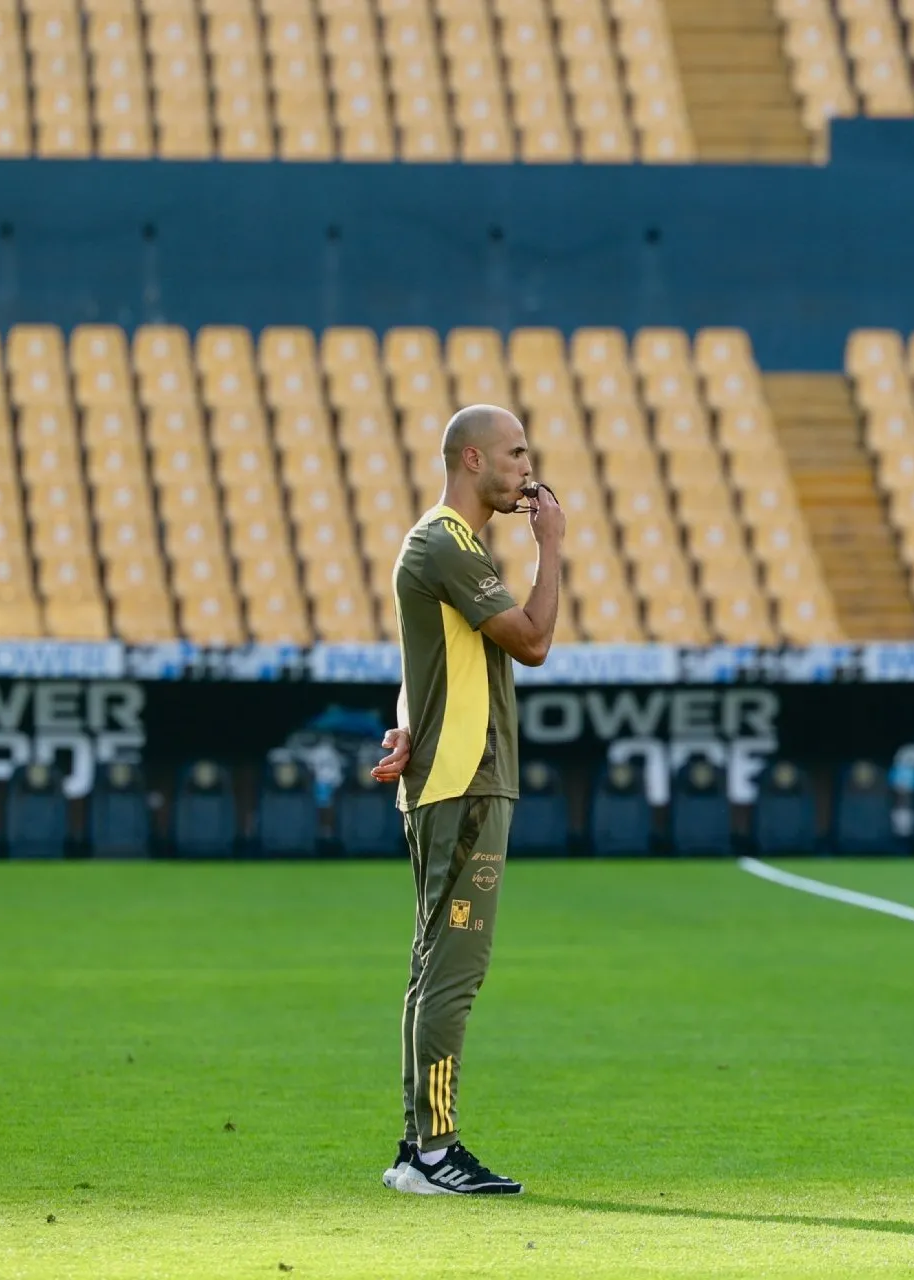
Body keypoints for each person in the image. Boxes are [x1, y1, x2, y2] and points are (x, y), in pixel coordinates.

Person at [370, 403, 565, 1196]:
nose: (529, 466)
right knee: (455, 969)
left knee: (432, 967)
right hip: (467, 785)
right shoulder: (447, 542)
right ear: (474, 460)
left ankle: (418, 1145)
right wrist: (552, 548)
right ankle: (433, 1151)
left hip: (453, 777)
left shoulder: (449, 548)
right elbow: (534, 641)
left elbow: (424, 660)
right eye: (516, 453)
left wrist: (405, 724)